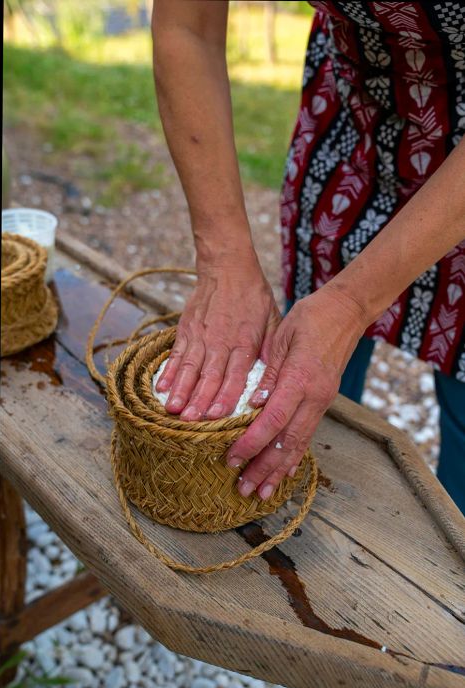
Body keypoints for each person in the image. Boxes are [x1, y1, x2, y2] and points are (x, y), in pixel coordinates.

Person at [151, 0, 465, 512]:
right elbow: (187, 28)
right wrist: (223, 259)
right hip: (355, 106)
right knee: (302, 371)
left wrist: (353, 304)